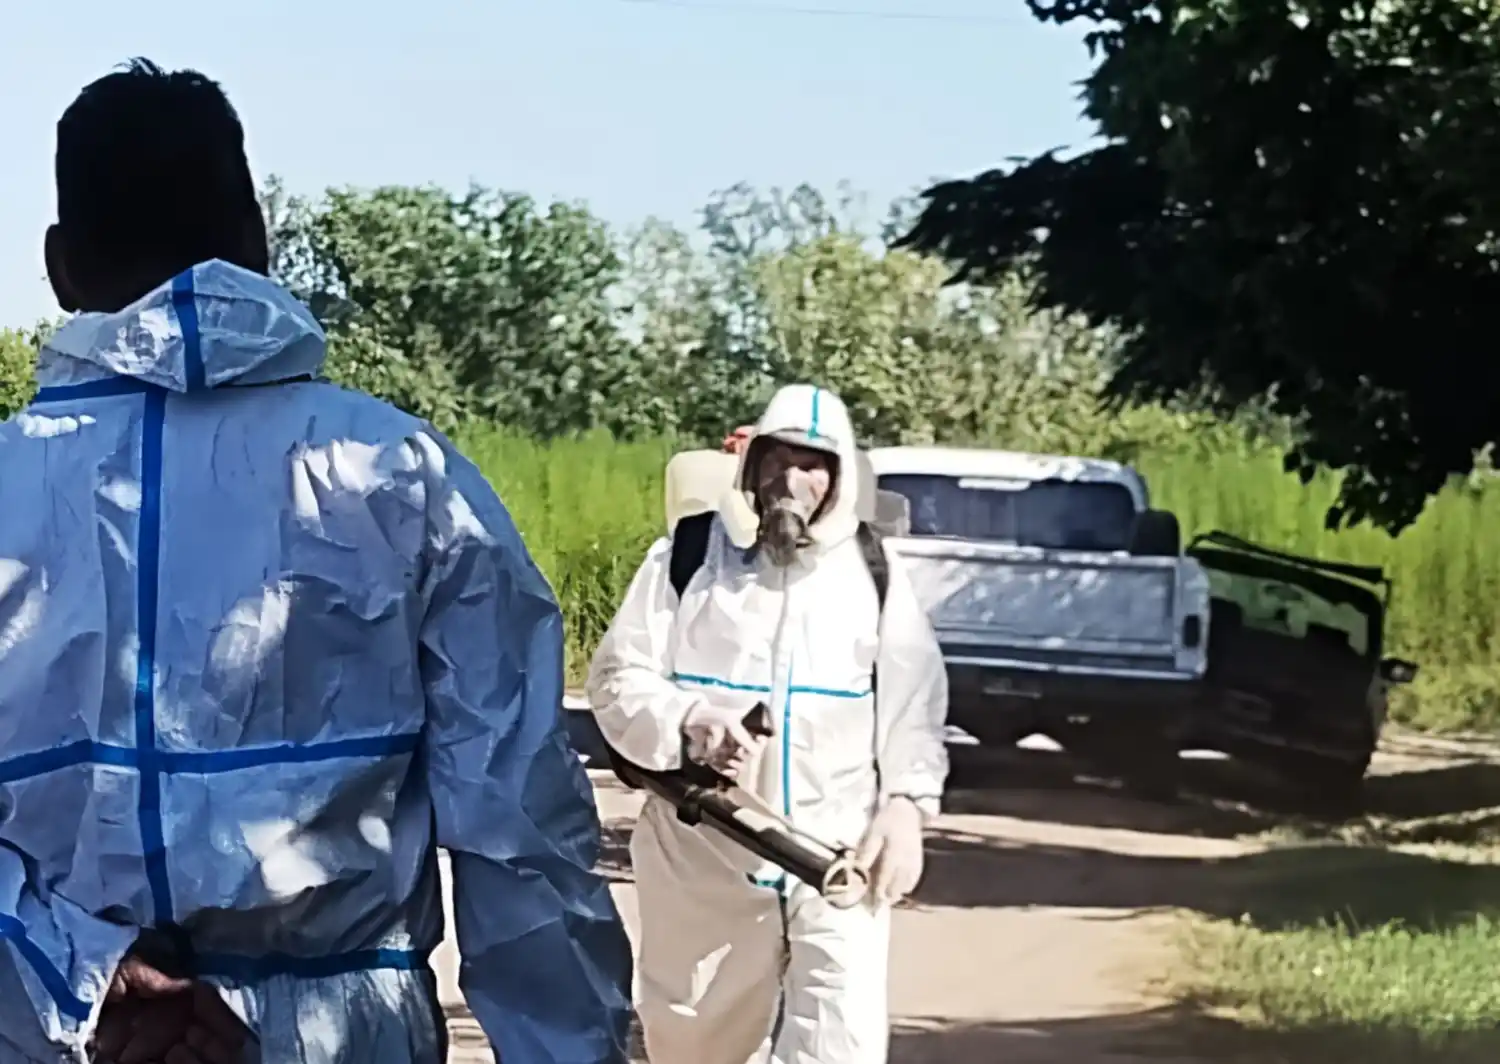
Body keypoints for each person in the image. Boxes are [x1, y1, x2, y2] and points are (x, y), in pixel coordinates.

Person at [0, 58, 633, 1063]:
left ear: (60, 267)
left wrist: (78, 971)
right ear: (259, 246)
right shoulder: (404, 477)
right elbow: (525, 839)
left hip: (57, 1034)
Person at [587, 384, 950, 1064]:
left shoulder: (874, 576)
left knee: (839, 1046)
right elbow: (617, 679)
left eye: (812, 463)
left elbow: (916, 705)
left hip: (838, 859)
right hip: (704, 855)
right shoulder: (687, 559)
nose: (791, 480)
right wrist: (688, 719)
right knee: (695, 1042)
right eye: (776, 459)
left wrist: (906, 805)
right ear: (750, 467)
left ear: (839, 476)